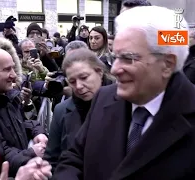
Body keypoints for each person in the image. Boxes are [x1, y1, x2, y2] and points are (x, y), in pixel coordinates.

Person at [53, 6, 193, 180]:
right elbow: (73, 159)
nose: (116, 69)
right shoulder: (103, 98)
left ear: (167, 64)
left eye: (128, 58)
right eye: (116, 57)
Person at [0, 46, 48, 176]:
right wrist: (31, 153)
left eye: (13, 67)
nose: (14, 75)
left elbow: (21, 123)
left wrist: (37, 131)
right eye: (7, 69)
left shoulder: (8, 96)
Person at [44, 48, 114, 173]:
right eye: (72, 81)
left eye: (84, 77)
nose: (79, 86)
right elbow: (51, 160)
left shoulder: (122, 103)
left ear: (99, 72)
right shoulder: (61, 111)